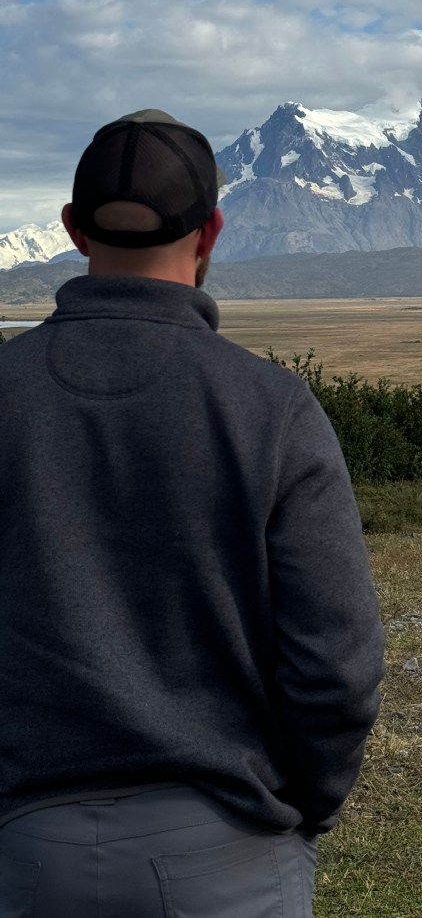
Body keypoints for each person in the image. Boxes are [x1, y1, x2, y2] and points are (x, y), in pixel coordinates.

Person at [0, 110, 385, 917]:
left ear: (71, 229)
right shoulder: (272, 406)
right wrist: (299, 808)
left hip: (23, 848)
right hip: (231, 849)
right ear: (211, 230)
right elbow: (339, 662)